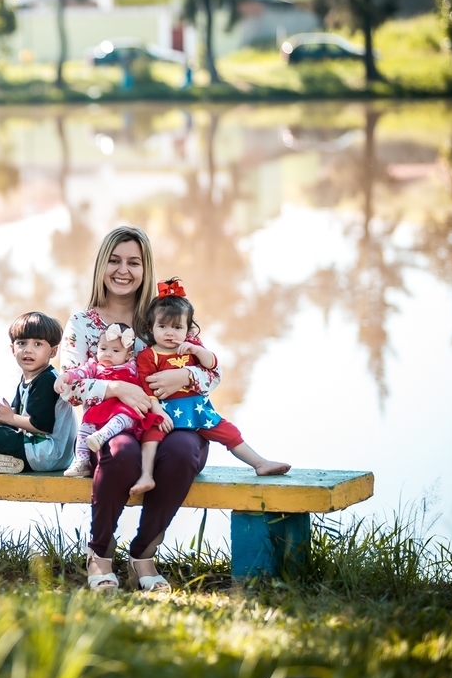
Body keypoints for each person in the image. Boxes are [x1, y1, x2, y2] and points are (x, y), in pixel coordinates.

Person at [60, 225, 220, 593]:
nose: (123, 270)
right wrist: (116, 387)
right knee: (120, 452)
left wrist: (185, 379)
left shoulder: (164, 316)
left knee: (183, 451)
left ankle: (143, 554)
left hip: (169, 424)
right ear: (101, 266)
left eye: (134, 262)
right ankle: (99, 554)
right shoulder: (83, 324)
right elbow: (69, 386)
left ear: (146, 268)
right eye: (114, 260)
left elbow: (213, 371)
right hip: (111, 427)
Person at [137, 278, 291, 477]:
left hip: (197, 409)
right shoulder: (149, 355)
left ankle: (260, 463)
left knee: (229, 432)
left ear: (187, 329)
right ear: (151, 328)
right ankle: (145, 475)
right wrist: (157, 411)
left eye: (177, 328)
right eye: (163, 326)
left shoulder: (190, 348)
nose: (170, 333)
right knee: (151, 436)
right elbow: (147, 387)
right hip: (166, 411)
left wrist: (197, 350)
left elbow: (212, 365)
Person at [56, 324, 170, 494]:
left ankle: (103, 435)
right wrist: (65, 376)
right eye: (103, 348)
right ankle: (81, 461)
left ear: (128, 355)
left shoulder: (133, 367)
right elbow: (78, 373)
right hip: (101, 411)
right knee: (84, 429)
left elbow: (148, 383)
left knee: (122, 419)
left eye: (116, 351)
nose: (108, 353)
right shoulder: (94, 366)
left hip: (125, 410)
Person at [0, 311, 76, 474]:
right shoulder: (29, 379)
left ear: (53, 351)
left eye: (38, 344)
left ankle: (12, 463)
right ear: (13, 349)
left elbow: (41, 426)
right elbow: (20, 414)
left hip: (49, 453)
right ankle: (7, 463)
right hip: (43, 451)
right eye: (22, 343)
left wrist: (9, 418)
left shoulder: (47, 381)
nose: (28, 350)